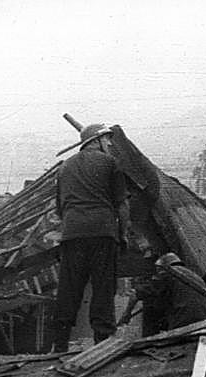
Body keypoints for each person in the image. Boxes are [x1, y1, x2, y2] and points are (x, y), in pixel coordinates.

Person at [53, 123, 128, 352]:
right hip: (102, 232)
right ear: (95, 141)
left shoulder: (64, 168)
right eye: (107, 140)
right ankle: (102, 342)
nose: (110, 144)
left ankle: (59, 345)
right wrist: (123, 235)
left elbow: (60, 208)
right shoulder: (111, 163)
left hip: (72, 233)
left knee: (69, 288)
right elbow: (122, 205)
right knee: (103, 287)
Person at [136, 253, 206, 336]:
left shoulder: (169, 273)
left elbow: (137, 294)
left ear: (163, 267)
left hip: (183, 323)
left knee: (149, 309)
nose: (157, 273)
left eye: (158, 270)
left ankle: (148, 343)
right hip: (204, 321)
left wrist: (126, 314)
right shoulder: (196, 277)